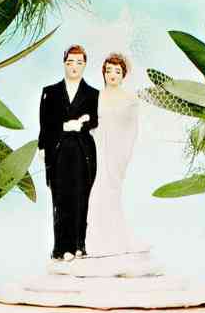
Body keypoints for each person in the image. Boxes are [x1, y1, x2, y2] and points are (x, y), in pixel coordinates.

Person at [38, 44, 98, 261]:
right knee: (60, 198)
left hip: (83, 153)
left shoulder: (92, 93)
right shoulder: (50, 92)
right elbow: (45, 123)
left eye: (79, 63)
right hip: (58, 150)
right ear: (64, 63)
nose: (74, 67)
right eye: (70, 62)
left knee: (81, 198)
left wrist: (82, 123)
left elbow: (95, 119)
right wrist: (43, 146)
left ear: (85, 65)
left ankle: (79, 245)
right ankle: (61, 247)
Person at [84, 52, 145, 259]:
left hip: (116, 152)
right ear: (103, 72)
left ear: (123, 75)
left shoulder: (129, 98)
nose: (112, 75)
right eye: (109, 70)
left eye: (117, 71)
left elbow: (132, 128)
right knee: (94, 192)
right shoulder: (96, 96)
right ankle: (93, 240)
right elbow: (88, 124)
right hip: (96, 149)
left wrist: (123, 154)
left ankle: (115, 239)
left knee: (111, 191)